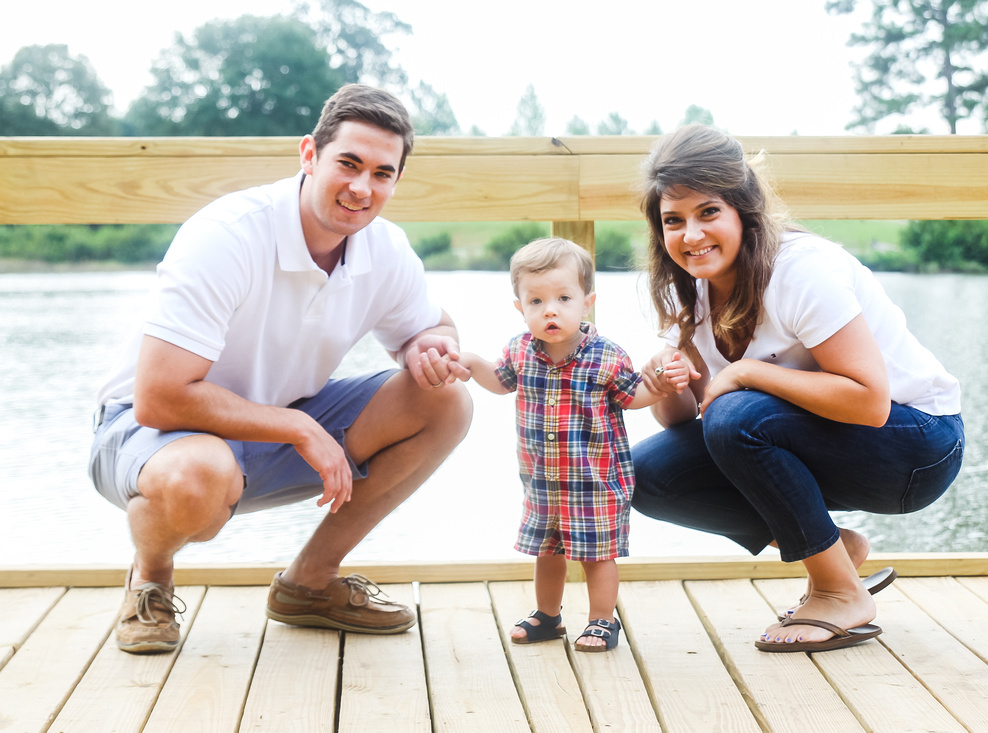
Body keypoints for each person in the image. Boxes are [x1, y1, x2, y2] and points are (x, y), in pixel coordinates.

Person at [88, 84, 472, 654]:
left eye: (382, 174)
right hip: (149, 435)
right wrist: (299, 428)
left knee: (446, 401)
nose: (362, 188)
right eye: (348, 163)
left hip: (273, 430)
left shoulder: (384, 249)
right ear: (309, 155)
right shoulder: (227, 235)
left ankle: (310, 584)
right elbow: (159, 398)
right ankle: (150, 578)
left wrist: (428, 346)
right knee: (200, 476)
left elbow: (435, 326)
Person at [631, 125, 965, 653]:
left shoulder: (802, 270)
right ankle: (833, 553)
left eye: (708, 212)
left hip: (918, 446)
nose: (690, 235)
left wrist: (747, 372)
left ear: (744, 209)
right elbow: (691, 419)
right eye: (673, 221)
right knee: (645, 474)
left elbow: (870, 401)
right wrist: (664, 381)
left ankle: (839, 593)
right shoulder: (689, 288)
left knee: (739, 414)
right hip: (821, 441)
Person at [453, 238, 688, 652]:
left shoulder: (606, 356)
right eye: (536, 301)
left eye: (564, 298)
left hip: (595, 480)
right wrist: (473, 364)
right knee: (547, 552)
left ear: (587, 302)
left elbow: (631, 397)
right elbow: (499, 382)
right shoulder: (520, 351)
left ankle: (602, 621)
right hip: (542, 482)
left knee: (597, 555)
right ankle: (548, 615)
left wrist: (663, 386)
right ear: (519, 307)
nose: (550, 310)